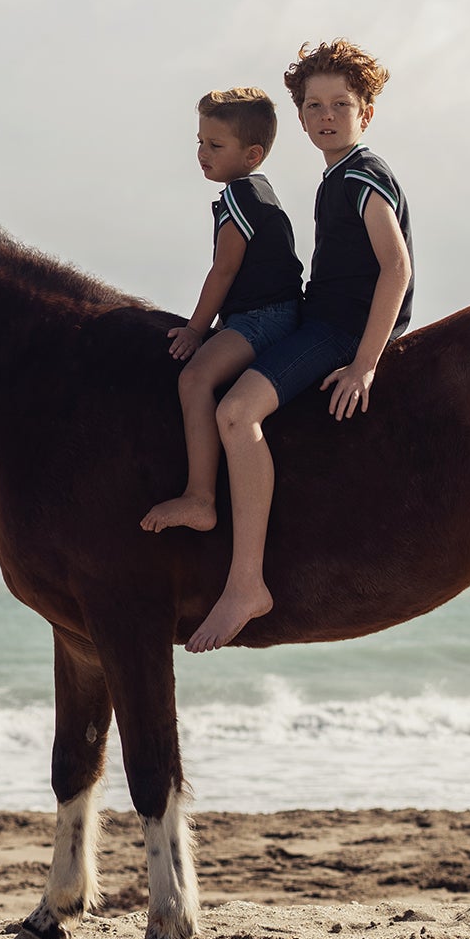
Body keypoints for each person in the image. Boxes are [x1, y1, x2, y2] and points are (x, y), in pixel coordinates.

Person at [186, 39, 414, 653]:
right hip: (321, 318)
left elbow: (396, 269)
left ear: (366, 112)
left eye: (341, 103)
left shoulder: (362, 175)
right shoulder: (333, 179)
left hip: (340, 331)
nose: (326, 116)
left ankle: (246, 584)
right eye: (313, 106)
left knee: (235, 412)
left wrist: (364, 365)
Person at [140, 88, 303, 536]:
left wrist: (196, 330)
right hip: (281, 312)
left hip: (260, 318)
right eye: (199, 141)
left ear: (252, 154)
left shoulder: (238, 196)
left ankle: (200, 497)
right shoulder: (262, 191)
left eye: (215, 145)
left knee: (194, 379)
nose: (201, 153)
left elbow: (224, 269)